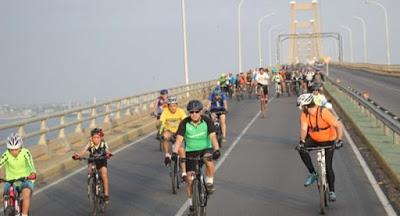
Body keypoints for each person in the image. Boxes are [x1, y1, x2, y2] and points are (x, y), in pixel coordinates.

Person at [172, 100, 220, 215]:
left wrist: (217, 149)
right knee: (189, 179)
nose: (194, 114)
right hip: (190, 152)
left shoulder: (207, 121)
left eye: (197, 111)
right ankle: (191, 205)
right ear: (189, 113)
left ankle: (209, 182)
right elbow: (179, 139)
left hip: (205, 149)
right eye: (191, 112)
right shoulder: (184, 123)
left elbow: (213, 137)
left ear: (200, 112)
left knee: (208, 160)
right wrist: (174, 152)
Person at [296, 93, 344, 201]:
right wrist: (302, 141)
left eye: (301, 106)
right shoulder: (305, 114)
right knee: (301, 150)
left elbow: (338, 125)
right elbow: (304, 129)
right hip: (314, 139)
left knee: (328, 166)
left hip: (329, 140)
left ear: (306, 105)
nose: (301, 108)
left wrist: (339, 140)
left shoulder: (323, 112)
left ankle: (332, 191)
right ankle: (313, 173)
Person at [0, 133, 37, 216]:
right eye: (11, 150)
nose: (14, 152)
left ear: (20, 147)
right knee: (6, 194)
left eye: (16, 149)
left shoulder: (26, 153)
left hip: (25, 179)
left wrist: (33, 173)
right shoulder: (6, 154)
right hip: (10, 180)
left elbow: (31, 164)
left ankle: (24, 214)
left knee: (26, 194)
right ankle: (8, 209)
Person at [73, 128, 112, 203]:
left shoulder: (104, 143)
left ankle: (106, 194)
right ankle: (92, 184)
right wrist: (78, 156)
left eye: (98, 137)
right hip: (92, 161)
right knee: (90, 172)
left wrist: (108, 154)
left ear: (101, 138)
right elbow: (83, 152)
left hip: (102, 161)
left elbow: (107, 151)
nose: (96, 139)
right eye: (94, 137)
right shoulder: (90, 144)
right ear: (91, 138)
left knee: (104, 174)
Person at [159, 96, 187, 165]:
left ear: (177, 105)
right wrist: (160, 132)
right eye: (171, 106)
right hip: (170, 132)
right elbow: (161, 122)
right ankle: (167, 155)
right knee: (164, 135)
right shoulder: (165, 111)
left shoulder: (180, 111)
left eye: (174, 106)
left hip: (179, 133)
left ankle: (183, 169)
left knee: (182, 151)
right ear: (168, 106)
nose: (173, 108)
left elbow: (185, 121)